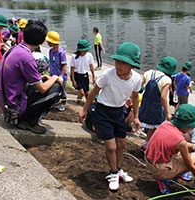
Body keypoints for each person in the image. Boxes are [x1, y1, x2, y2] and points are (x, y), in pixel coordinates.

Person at [79, 42, 142, 191]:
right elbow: (94, 92)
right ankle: (113, 173)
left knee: (122, 144)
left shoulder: (136, 79)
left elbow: (135, 97)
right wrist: (84, 110)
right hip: (103, 111)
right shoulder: (108, 74)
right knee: (111, 146)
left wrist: (137, 116)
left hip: (119, 111)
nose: (118, 66)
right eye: (117, 61)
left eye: (123, 63)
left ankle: (118, 169)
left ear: (133, 66)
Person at [0, 20, 62, 134]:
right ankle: (29, 121)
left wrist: (41, 77)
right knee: (56, 89)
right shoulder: (26, 57)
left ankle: (26, 117)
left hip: (6, 101)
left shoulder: (16, 49)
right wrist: (55, 77)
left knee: (43, 82)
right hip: (13, 108)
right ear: (41, 42)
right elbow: (42, 88)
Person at [145, 104, 195, 194]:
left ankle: (175, 171)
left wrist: (192, 146)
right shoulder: (181, 142)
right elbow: (191, 165)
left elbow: (174, 142)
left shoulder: (166, 124)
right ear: (188, 126)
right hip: (160, 170)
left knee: (180, 151)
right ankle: (165, 178)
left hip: (150, 160)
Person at [139, 56, 177, 152]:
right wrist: (168, 113)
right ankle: (150, 146)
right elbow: (163, 97)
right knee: (156, 127)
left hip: (145, 104)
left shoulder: (148, 73)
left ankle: (146, 144)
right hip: (156, 108)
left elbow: (138, 86)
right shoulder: (167, 80)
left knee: (148, 126)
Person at [46, 31, 68, 111]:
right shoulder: (51, 51)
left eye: (48, 41)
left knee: (63, 90)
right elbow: (51, 62)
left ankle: (63, 103)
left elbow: (64, 64)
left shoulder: (61, 52)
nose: (47, 43)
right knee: (55, 89)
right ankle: (56, 101)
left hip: (60, 76)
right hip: (53, 75)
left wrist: (61, 76)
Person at [70, 40, 95, 104]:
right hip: (77, 76)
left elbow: (91, 66)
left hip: (85, 75)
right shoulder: (74, 56)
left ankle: (89, 106)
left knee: (87, 93)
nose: (87, 51)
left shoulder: (89, 55)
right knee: (81, 92)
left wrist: (93, 77)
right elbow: (72, 69)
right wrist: (73, 80)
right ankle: (78, 103)